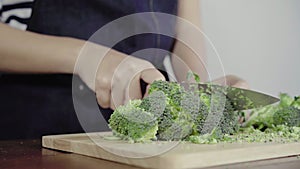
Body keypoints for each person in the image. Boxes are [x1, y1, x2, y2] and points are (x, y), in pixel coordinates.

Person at [0, 0, 248, 139]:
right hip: (32, 131)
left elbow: (185, 33)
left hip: (140, 143)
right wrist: (86, 57)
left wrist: (202, 92)